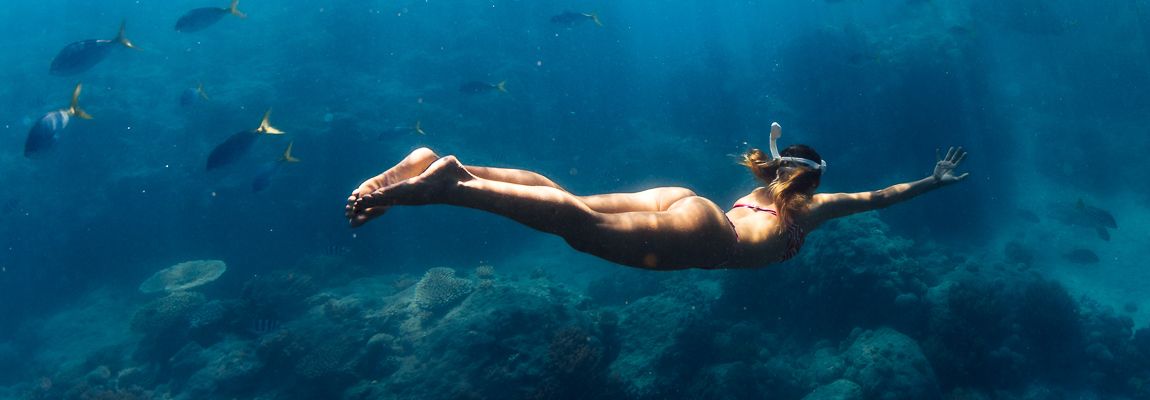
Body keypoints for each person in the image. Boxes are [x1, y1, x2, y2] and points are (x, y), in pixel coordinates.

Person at [344, 123, 970, 270]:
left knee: (574, 201)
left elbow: (785, 165)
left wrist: (778, 150)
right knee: (580, 228)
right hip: (705, 235)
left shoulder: (765, 188)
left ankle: (452, 166)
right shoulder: (809, 208)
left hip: (689, 202)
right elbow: (878, 198)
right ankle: (448, 188)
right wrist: (931, 183)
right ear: (814, 184)